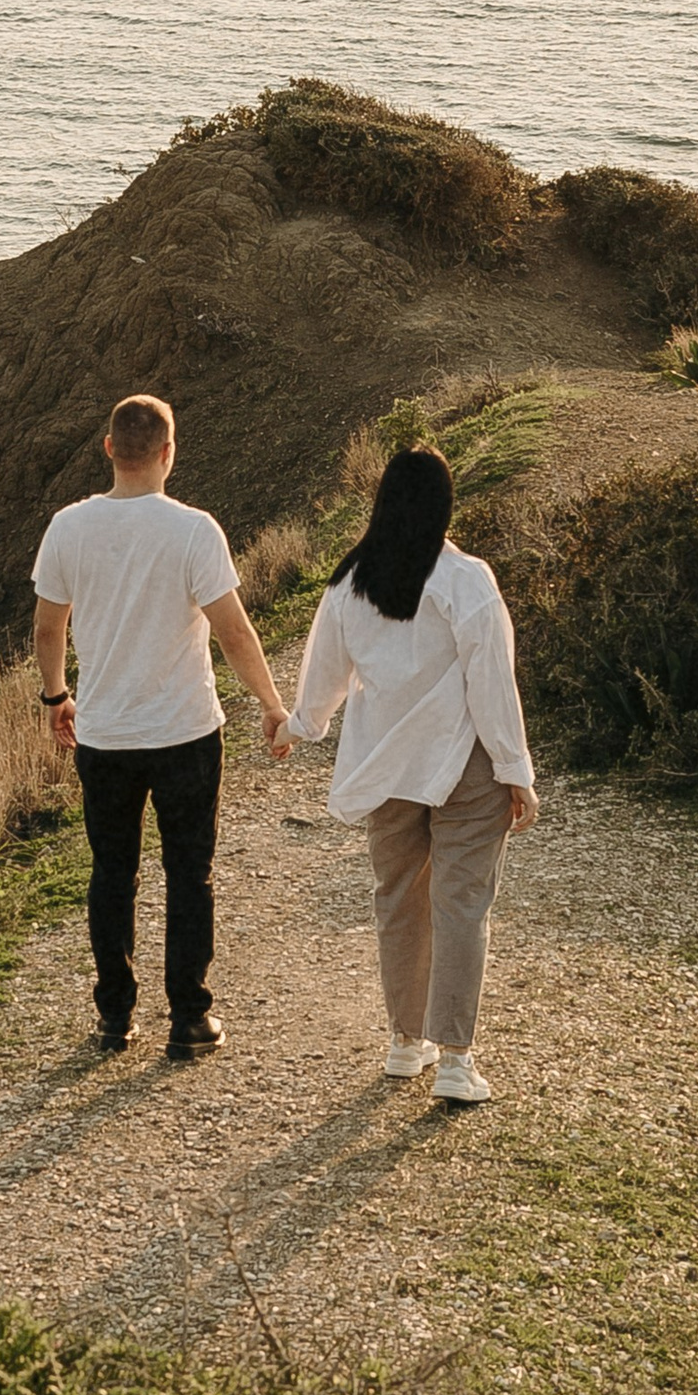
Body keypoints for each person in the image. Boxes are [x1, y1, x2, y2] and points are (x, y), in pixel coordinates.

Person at [276, 444, 537, 1108]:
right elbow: (492, 681)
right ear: (447, 505)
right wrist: (515, 770)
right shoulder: (465, 579)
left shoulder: (350, 581)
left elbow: (324, 677)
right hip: (464, 764)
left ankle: (404, 1041)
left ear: (382, 500)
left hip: (386, 761)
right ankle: (454, 1059)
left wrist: (299, 726)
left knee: (397, 898)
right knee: (460, 905)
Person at [33, 394, 287, 1061]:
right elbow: (233, 630)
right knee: (188, 872)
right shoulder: (194, 530)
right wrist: (270, 703)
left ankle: (115, 1019)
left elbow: (47, 624)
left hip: (106, 734)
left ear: (110, 448)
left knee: (112, 874)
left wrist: (57, 695)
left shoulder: (68, 526)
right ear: (169, 454)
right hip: (185, 732)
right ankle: (189, 1020)